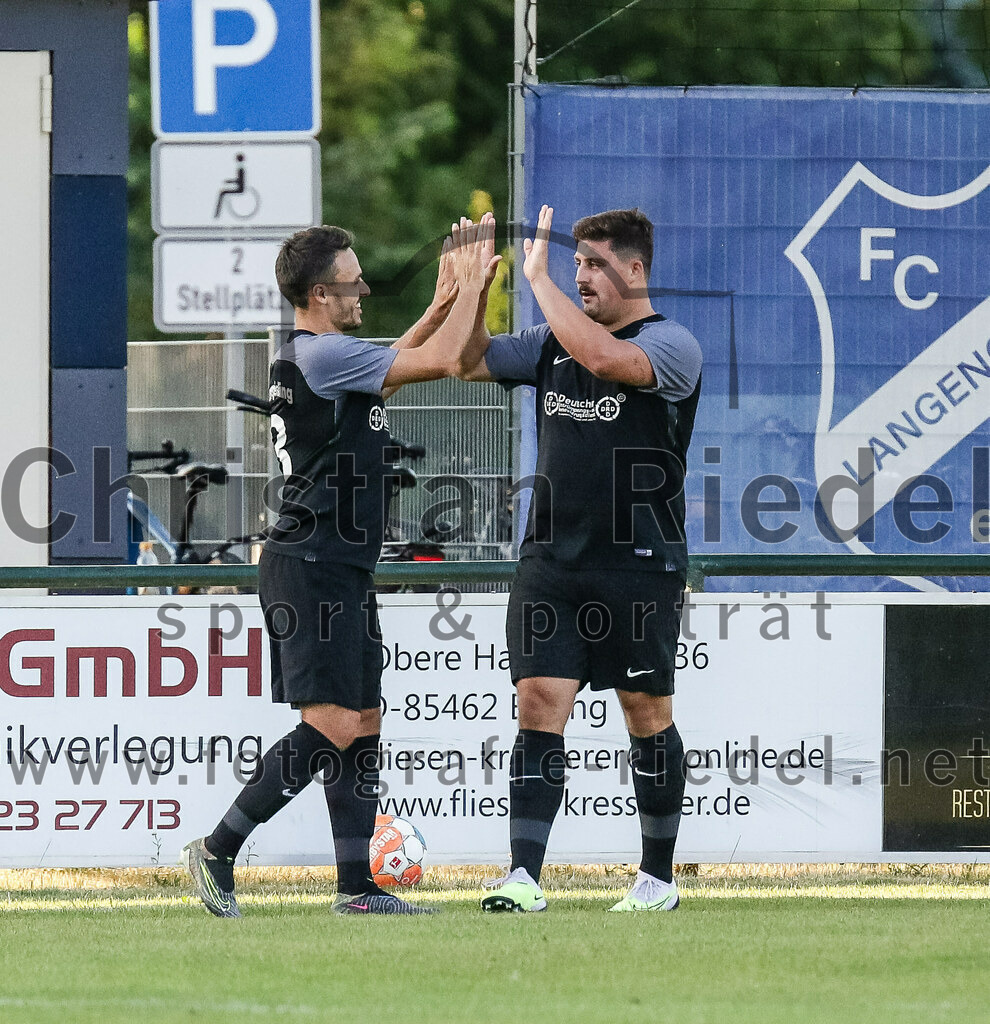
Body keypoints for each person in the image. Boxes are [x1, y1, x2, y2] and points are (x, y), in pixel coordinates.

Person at [181, 217, 498, 917]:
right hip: (310, 565)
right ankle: (217, 849)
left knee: (363, 718)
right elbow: (442, 362)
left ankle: (358, 889)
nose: (364, 289)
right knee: (329, 723)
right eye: (353, 280)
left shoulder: (330, 357)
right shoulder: (323, 357)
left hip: (339, 566)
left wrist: (444, 303)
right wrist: (471, 289)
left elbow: (398, 361)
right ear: (322, 293)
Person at [456, 205, 702, 913]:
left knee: (645, 711)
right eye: (575, 265)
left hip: (638, 562)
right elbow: (469, 361)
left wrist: (536, 278)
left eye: (595, 265)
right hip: (551, 563)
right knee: (538, 706)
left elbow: (604, 358)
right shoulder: (548, 341)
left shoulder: (672, 343)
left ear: (634, 269)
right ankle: (523, 878)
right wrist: (472, 292)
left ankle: (656, 880)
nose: (582, 276)